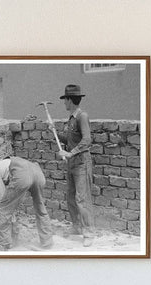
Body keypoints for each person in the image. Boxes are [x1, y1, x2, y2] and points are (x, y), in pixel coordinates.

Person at [0, 156, 54, 251]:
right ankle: (47, 241)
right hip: (38, 173)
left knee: (3, 209)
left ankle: (0, 243)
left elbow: (2, 199)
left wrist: (11, 214)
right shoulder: (5, 164)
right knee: (40, 207)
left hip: (23, 176)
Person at [55, 84, 95, 247]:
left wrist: (71, 153)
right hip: (72, 164)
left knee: (82, 199)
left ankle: (89, 232)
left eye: (65, 99)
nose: (64, 103)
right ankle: (77, 227)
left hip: (81, 163)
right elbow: (69, 140)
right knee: (71, 198)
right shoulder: (71, 118)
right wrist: (55, 132)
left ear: (70, 100)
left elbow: (87, 140)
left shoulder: (81, 116)